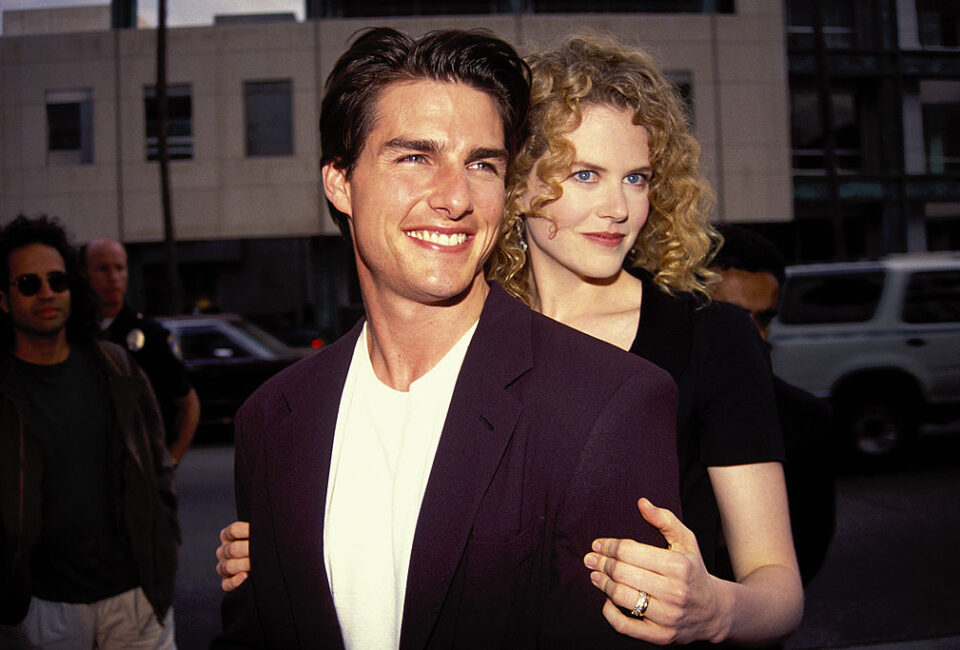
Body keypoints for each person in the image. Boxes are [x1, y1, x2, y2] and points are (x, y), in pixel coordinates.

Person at [217, 33, 804, 647]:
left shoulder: (688, 347)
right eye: (584, 174)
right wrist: (300, 542)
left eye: (637, 177)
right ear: (523, 184)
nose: (618, 208)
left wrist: (715, 609)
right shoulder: (452, 330)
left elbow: (777, 582)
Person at [0, 215, 179, 648]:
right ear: (4, 299)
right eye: (29, 283)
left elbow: (156, 468)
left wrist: (162, 553)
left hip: (135, 600)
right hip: (42, 608)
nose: (46, 293)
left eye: (57, 281)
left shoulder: (116, 367)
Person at [711, 224, 835, 585]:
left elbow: (807, 551)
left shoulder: (805, 419)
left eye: (763, 318)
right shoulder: (652, 402)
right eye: (732, 316)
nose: (750, 332)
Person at [84, 237, 201, 466]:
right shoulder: (76, 335)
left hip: (142, 465)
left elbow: (189, 403)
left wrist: (171, 460)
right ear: (85, 274)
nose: (113, 277)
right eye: (102, 269)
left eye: (119, 268)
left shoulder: (150, 335)